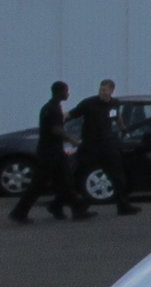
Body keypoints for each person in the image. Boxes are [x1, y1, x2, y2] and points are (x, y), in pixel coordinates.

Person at [9, 81, 91, 223]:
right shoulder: (53, 109)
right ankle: (19, 212)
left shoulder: (50, 107)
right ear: (59, 92)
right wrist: (73, 140)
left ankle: (73, 208)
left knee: (65, 181)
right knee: (39, 184)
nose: (68, 94)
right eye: (66, 91)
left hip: (53, 151)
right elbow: (56, 129)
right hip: (50, 153)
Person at [71, 78, 140, 217]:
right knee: (79, 174)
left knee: (117, 176)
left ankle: (123, 205)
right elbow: (72, 114)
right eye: (101, 90)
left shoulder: (114, 103)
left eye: (105, 90)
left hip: (107, 144)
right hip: (90, 145)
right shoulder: (89, 103)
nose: (102, 93)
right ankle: (73, 206)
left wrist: (124, 129)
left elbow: (117, 117)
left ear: (112, 90)